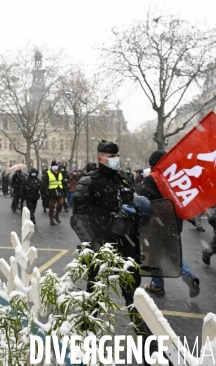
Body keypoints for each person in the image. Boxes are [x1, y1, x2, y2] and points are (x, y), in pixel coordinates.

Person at [70, 141, 154, 353]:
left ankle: (151, 352)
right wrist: (95, 244)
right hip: (101, 249)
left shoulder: (125, 179)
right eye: (111, 156)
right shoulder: (88, 182)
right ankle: (84, 347)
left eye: (117, 154)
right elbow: (78, 218)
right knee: (94, 299)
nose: (116, 159)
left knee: (135, 300)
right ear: (100, 159)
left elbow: (135, 208)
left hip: (127, 248)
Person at [137, 150, 200, 298]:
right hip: (173, 224)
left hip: (154, 225)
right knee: (173, 253)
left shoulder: (152, 179)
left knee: (153, 254)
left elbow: (141, 199)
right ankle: (189, 276)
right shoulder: (175, 179)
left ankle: (157, 285)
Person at [43, 160, 64, 225]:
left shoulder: (60, 173)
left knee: (60, 204)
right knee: (51, 206)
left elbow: (62, 182)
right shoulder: (48, 173)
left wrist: (64, 191)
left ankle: (56, 215)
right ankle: (51, 218)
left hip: (59, 190)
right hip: (51, 191)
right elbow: (45, 183)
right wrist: (46, 192)